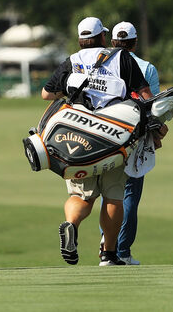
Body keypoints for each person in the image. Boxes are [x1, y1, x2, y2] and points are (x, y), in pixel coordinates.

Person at [41, 16, 150, 266]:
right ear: (102, 37)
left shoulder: (73, 60)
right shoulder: (121, 58)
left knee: (82, 196)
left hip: (78, 139)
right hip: (113, 136)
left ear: (80, 40)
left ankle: (71, 224)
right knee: (113, 196)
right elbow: (145, 95)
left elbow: (46, 93)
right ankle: (109, 254)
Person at [108, 21, 162, 266]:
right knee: (130, 193)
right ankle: (122, 252)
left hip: (106, 134)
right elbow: (155, 107)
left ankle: (106, 249)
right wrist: (159, 133)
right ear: (135, 42)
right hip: (135, 135)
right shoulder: (146, 67)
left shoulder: (103, 62)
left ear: (112, 42)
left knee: (109, 192)